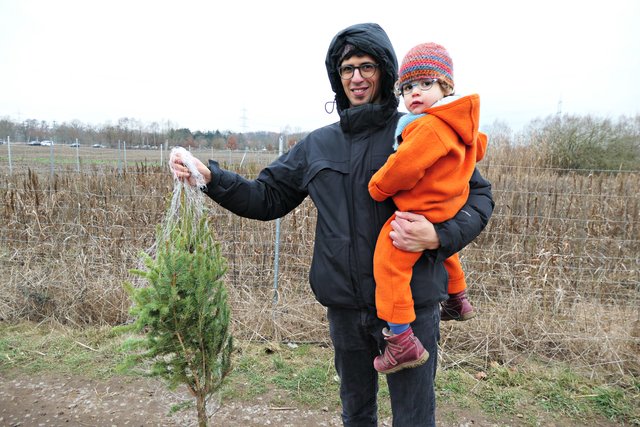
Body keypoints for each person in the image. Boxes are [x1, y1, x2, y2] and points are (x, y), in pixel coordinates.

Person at [170, 23, 493, 427]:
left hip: (410, 305)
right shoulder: (318, 144)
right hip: (345, 308)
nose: (357, 77)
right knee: (356, 414)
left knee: (413, 417)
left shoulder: (419, 130)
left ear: (385, 71)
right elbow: (266, 197)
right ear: (337, 77)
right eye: (347, 68)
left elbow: (479, 196)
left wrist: (438, 236)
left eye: (367, 66)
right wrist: (211, 177)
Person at [368, 42, 487, 375]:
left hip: (422, 207)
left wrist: (378, 187)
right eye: (407, 88)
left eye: (425, 83)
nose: (415, 93)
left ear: (446, 86)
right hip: (447, 205)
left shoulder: (429, 127)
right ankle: (457, 298)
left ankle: (401, 339)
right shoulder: (459, 125)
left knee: (389, 262)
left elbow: (403, 167)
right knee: (445, 252)